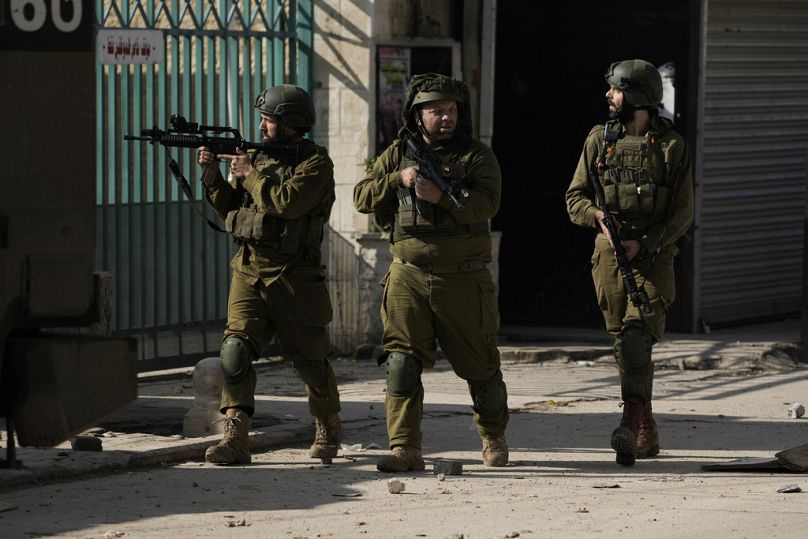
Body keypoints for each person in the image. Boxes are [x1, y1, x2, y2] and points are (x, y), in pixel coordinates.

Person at [353, 73, 508, 472]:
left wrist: (442, 197)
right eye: (436, 110)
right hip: (408, 273)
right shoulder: (398, 153)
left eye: (452, 110)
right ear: (417, 114)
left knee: (480, 366)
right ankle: (405, 447)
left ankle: (493, 436)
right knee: (401, 362)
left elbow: (487, 204)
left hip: (462, 275)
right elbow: (361, 197)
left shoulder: (477, 157)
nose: (446, 117)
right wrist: (396, 178)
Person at [197, 84, 341, 465]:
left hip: (295, 274)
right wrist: (213, 175)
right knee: (234, 350)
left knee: (310, 359)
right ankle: (236, 435)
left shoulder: (315, 164)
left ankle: (326, 422)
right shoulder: (256, 157)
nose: (261, 127)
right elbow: (231, 208)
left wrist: (249, 173)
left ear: (290, 124)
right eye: (261, 119)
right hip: (249, 268)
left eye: (269, 120)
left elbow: (287, 203)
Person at [565, 59, 693, 466]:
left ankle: (628, 421)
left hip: (653, 256)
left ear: (635, 97)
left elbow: (682, 213)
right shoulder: (597, 141)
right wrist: (598, 217)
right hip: (609, 256)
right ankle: (647, 427)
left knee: (639, 335)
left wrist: (647, 242)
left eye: (616, 90)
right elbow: (575, 199)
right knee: (625, 344)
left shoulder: (672, 147)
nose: (609, 96)